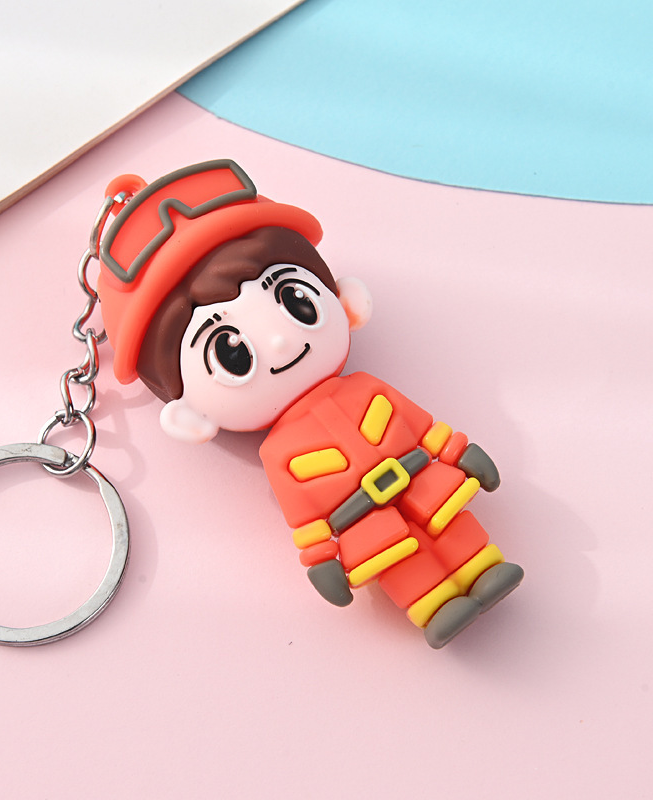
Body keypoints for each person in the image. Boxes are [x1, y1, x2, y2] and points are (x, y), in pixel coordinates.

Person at [96, 160, 523, 648]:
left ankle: (484, 571)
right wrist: (320, 559)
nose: (280, 341)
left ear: (346, 301)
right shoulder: (279, 453)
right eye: (231, 352)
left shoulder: (367, 388)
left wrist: (458, 452)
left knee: (453, 527)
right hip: (364, 522)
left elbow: (425, 428)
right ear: (191, 417)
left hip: (425, 482)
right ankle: (435, 606)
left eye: (295, 300)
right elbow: (304, 517)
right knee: (400, 563)